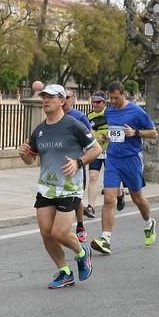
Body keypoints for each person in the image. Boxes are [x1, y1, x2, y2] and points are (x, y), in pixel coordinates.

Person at [18, 84, 100, 287]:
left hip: (69, 187)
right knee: (46, 233)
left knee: (59, 232)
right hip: (46, 188)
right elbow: (32, 160)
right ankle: (64, 271)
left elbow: (96, 149)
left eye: (51, 97)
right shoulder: (39, 130)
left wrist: (78, 162)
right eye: (44, 97)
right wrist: (25, 155)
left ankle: (82, 252)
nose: (45, 100)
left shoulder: (74, 125)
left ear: (62, 101)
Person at [90, 81, 158, 255]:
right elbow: (114, 131)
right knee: (109, 198)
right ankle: (106, 239)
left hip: (131, 159)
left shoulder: (136, 112)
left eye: (116, 98)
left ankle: (149, 222)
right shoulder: (110, 111)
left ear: (123, 94)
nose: (112, 101)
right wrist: (106, 136)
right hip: (113, 158)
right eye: (110, 98)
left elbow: (153, 133)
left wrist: (136, 133)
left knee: (137, 198)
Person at [62, 90, 92, 242]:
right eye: (62, 97)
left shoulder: (80, 117)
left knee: (76, 198)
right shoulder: (55, 116)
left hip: (77, 164)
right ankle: (61, 229)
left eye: (67, 97)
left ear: (73, 99)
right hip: (57, 165)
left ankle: (80, 225)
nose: (64, 100)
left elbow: (91, 139)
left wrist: (81, 158)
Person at [84, 91, 108, 218]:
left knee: (110, 179)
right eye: (93, 101)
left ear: (104, 102)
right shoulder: (88, 116)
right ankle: (91, 206)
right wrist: (96, 137)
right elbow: (87, 133)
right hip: (95, 150)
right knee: (93, 177)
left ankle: (120, 194)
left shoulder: (110, 115)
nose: (95, 104)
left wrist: (102, 136)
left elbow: (112, 132)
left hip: (109, 150)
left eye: (98, 101)